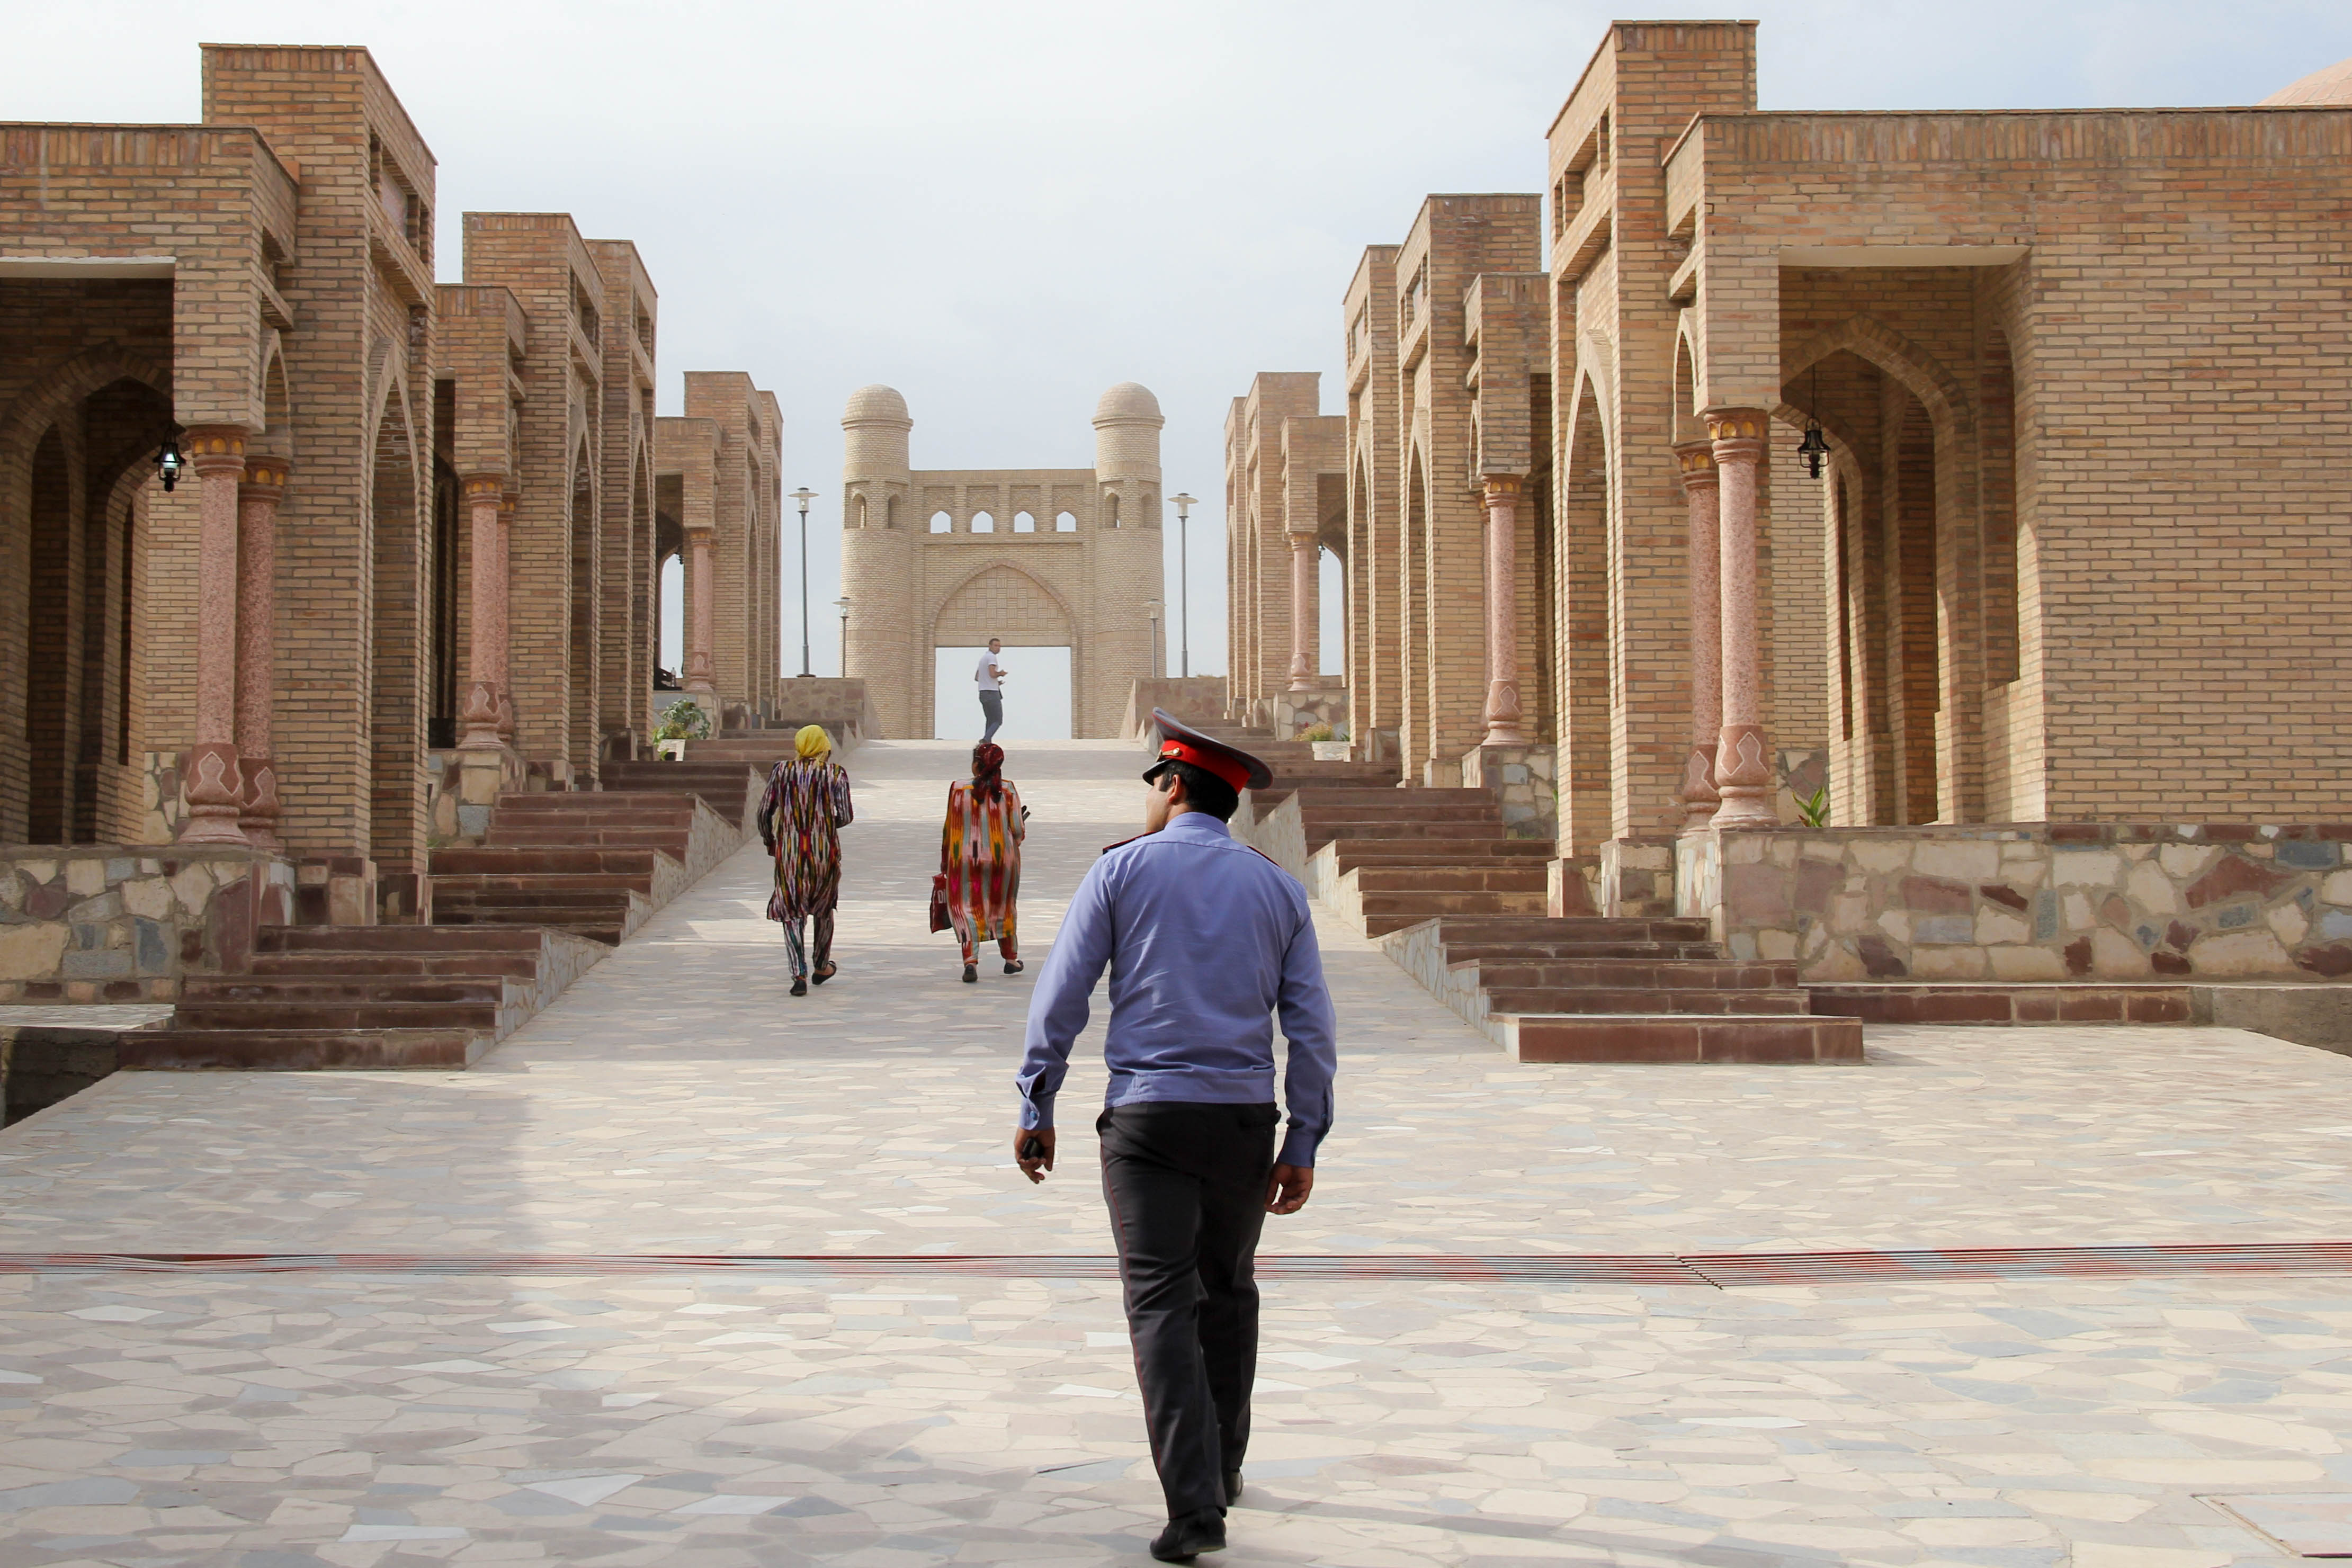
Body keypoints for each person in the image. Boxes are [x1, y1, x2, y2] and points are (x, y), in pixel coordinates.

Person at [1013, 711, 1337, 1563]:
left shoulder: (1120, 871)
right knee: (1227, 1289)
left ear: (1174, 784)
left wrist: (1037, 1099)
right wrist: (1303, 1138)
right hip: (1240, 1119)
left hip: (1148, 1120)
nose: (1150, 798)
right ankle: (1222, 1467)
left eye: (1154, 783)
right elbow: (1311, 1026)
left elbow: (1062, 997)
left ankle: (1195, 1507)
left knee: (1161, 1301)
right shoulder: (1277, 888)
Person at [757, 724, 854, 997]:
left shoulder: (782, 772)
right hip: (824, 854)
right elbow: (846, 815)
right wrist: (824, 826)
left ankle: (798, 973)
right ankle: (821, 966)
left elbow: (764, 812)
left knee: (792, 912)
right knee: (824, 910)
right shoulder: (835, 774)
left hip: (789, 854)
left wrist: (771, 841)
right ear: (824, 745)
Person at [942, 740, 1026, 984]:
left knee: (967, 906)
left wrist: (945, 860)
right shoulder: (1008, 790)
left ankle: (971, 961)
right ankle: (1010, 959)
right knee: (1003, 904)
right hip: (1003, 858)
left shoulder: (958, 789)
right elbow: (1018, 830)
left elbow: (949, 828)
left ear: (976, 764)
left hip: (965, 859)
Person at [975, 638, 1007, 742]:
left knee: (990, 719)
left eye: (999, 646)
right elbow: (992, 674)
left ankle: (987, 742)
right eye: (996, 646)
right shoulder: (992, 658)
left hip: (983, 692)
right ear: (990, 646)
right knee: (998, 720)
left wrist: (996, 683)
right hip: (992, 693)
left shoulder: (983, 659)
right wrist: (1000, 674)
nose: (998, 648)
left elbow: (977, 677)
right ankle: (986, 739)